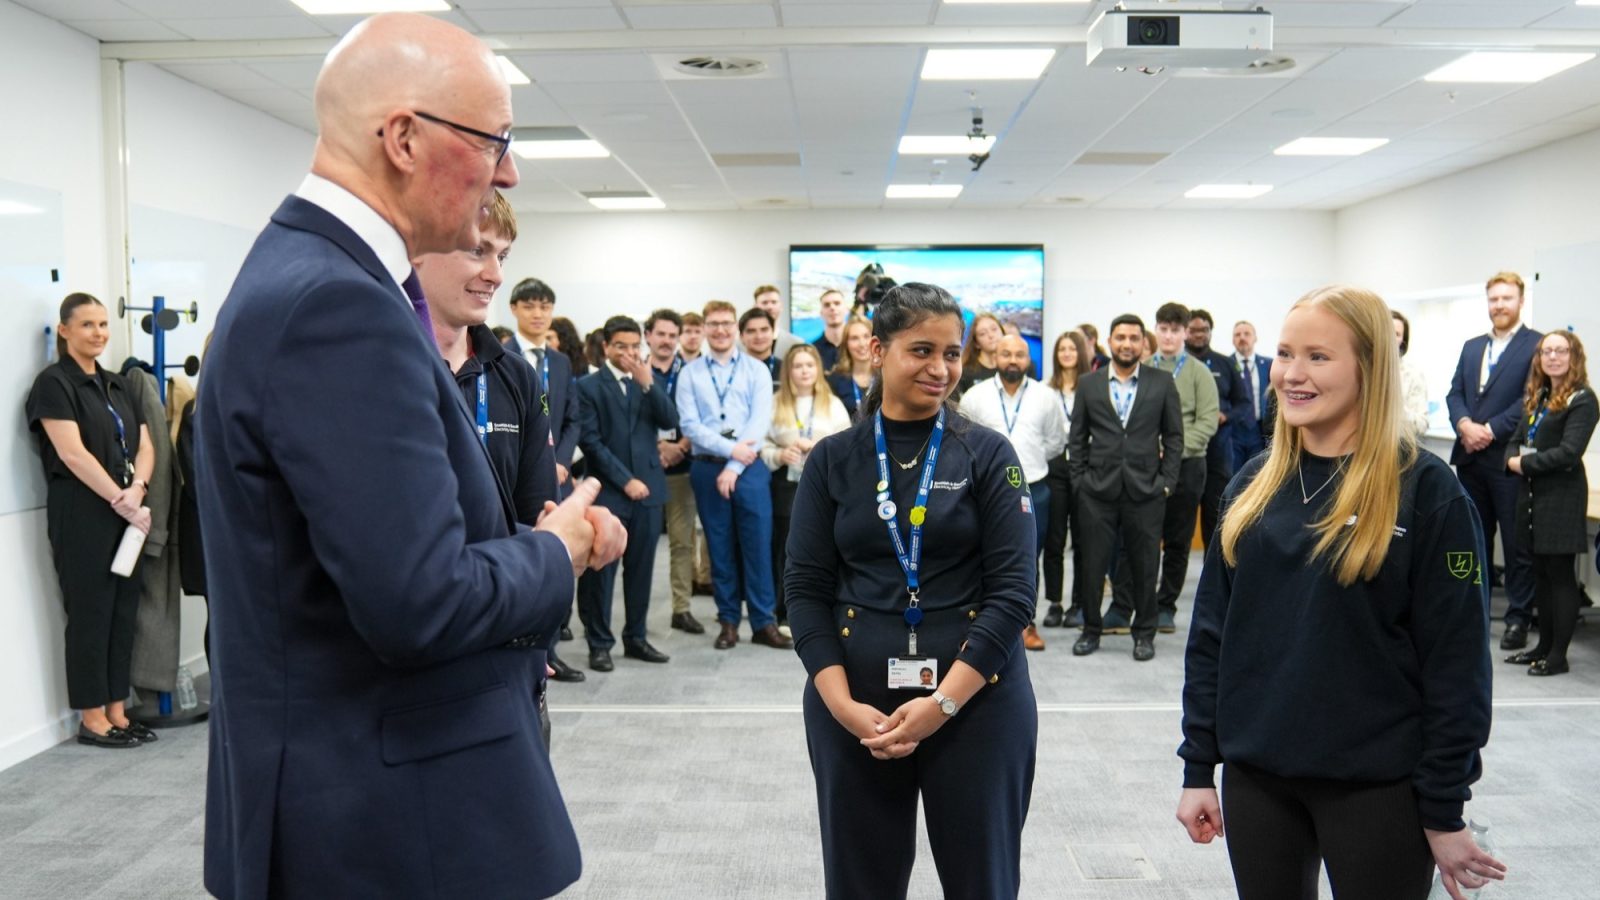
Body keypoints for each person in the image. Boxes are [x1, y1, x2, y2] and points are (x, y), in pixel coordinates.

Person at [193, 15, 626, 898]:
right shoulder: (335, 305)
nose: (506, 171)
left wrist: (509, 538)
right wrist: (557, 551)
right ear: (402, 138)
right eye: (494, 142)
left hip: (368, 797)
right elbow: (417, 602)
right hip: (387, 821)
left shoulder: (316, 277)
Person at [1177, 285, 1503, 900]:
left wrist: (1444, 806)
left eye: (1318, 357)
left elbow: (1457, 667)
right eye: (1284, 353)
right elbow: (1213, 636)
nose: (1292, 375)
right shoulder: (1251, 484)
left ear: (1370, 368)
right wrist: (1200, 765)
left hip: (1377, 785)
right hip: (1259, 779)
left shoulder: (1430, 494)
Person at [785, 282, 1038, 900]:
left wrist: (942, 706)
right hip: (857, 707)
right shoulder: (833, 459)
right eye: (921, 350)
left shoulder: (987, 454)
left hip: (977, 701)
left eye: (952, 353)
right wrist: (841, 705)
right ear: (876, 349)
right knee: (860, 881)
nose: (941, 368)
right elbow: (805, 589)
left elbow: (1013, 594)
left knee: (983, 881)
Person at [27, 292, 158, 749]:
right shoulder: (54, 384)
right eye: (87, 325)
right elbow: (72, 453)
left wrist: (137, 490)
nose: (99, 333)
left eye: (103, 324)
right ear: (64, 331)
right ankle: (92, 717)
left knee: (124, 610)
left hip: (127, 507)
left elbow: (144, 444)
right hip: (83, 512)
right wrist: (120, 500)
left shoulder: (116, 383)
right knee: (90, 613)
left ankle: (118, 710)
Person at [677, 300, 793, 650]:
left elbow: (759, 421)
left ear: (736, 331)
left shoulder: (756, 370)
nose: (720, 330)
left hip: (749, 468)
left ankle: (763, 622)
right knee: (720, 546)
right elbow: (690, 425)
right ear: (704, 328)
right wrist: (730, 454)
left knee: (758, 544)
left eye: (727, 323)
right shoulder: (691, 373)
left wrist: (735, 464)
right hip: (707, 465)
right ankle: (728, 621)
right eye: (713, 324)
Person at [1068, 314, 1182, 661]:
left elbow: (1174, 436)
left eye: (1134, 338)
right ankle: (1091, 630)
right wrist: (1080, 482)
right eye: (1121, 338)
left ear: (1143, 344)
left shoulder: (1161, 383)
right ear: (1110, 341)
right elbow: (1077, 438)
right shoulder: (1089, 384)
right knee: (1092, 565)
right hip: (1096, 492)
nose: (1127, 344)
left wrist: (1166, 483)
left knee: (1146, 565)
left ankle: (1144, 633)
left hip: (1146, 491)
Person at [575, 316, 679, 672]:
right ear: (606, 347)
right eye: (622, 346)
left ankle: (636, 637)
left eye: (635, 346)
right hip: (610, 493)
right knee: (602, 573)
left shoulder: (647, 380)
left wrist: (649, 385)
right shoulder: (588, 386)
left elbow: (670, 420)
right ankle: (600, 643)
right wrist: (625, 481)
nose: (630, 353)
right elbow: (591, 442)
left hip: (648, 491)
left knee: (641, 569)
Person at [1445, 271, 1542, 650]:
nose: (1499, 305)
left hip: (1506, 459)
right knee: (1474, 543)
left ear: (1520, 301)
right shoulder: (1471, 347)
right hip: (1470, 459)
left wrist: (1490, 429)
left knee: (1517, 545)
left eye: (1506, 298)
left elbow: (1530, 398)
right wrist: (1465, 424)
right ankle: (1475, 614)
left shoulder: (1536, 346)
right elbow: (1455, 393)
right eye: (1493, 299)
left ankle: (1518, 618)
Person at [1108, 302, 1218, 636]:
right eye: (1164, 329)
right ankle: (1123, 605)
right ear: (1156, 332)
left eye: (1176, 330)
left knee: (1177, 540)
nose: (1169, 336)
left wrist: (1170, 451)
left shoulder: (1198, 372)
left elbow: (1207, 422)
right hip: (1144, 468)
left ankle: (1165, 605)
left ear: (1186, 333)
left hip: (1186, 467)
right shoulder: (1144, 369)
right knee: (1135, 538)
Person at [957, 334, 1067, 651]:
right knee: (981, 553)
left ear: (1027, 360)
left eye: (1019, 354)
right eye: (1006, 354)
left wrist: (1026, 466)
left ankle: (1026, 623)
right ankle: (982, 620)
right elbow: (965, 440)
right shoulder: (975, 396)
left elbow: (1055, 442)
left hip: (1034, 486)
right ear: (995, 357)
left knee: (1028, 556)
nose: (1013, 360)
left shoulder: (1046, 397)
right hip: (986, 488)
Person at [1505, 330, 1596, 677]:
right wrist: (1514, 458)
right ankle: (1541, 646)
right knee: (1540, 573)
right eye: (1547, 351)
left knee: (1560, 574)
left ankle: (1558, 655)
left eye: (1561, 351)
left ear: (1574, 357)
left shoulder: (1583, 399)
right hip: (1532, 496)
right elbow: (1515, 440)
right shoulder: (1539, 395)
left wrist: (1523, 464)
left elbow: (1569, 452)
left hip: (1561, 495)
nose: (1553, 357)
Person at [506, 279, 586, 673]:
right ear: (514, 309)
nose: (538, 314)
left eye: (545, 307)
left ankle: (549, 650)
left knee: (558, 558)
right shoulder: (500, 356)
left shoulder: (560, 361)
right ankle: (525, 646)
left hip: (558, 474)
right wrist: (538, 460)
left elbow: (571, 419)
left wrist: (561, 459)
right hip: (517, 476)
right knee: (522, 557)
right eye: (530, 306)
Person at [762, 344, 851, 635]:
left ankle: (825, 608)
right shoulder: (775, 402)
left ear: (818, 370)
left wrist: (818, 450)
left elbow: (847, 446)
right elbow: (761, 443)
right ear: (789, 371)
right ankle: (784, 611)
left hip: (825, 484)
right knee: (786, 548)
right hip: (786, 483)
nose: (804, 371)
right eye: (798, 366)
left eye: (809, 366)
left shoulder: (833, 403)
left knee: (824, 546)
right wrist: (779, 453)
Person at [645, 309, 705, 635]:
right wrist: (657, 448)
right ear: (648, 336)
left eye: (672, 335)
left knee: (682, 542)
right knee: (639, 545)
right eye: (661, 334)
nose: (667, 341)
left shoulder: (692, 373)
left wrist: (679, 446)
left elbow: (699, 417)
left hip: (682, 468)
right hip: (645, 470)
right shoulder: (635, 372)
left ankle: (680, 609)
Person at [1040, 330, 1090, 629]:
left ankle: (1079, 604)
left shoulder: (1092, 386)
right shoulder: (1046, 390)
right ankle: (1055, 603)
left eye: (1073, 348)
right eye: (1062, 349)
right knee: (1054, 539)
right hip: (1056, 467)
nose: (1068, 353)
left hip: (1085, 466)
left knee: (1084, 540)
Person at [1188, 309, 1248, 548]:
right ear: (1185, 332)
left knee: (1215, 518)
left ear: (1210, 332)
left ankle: (1210, 576)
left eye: (1204, 330)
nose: (1199, 335)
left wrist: (1225, 416)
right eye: (1193, 330)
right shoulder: (1177, 366)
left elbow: (1244, 403)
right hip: (1186, 453)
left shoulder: (1226, 364)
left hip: (1218, 452)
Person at [1231, 319, 1273, 469]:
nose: (1242, 337)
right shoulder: (1226, 364)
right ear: (1232, 340)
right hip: (1234, 431)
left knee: (1257, 474)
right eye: (1237, 335)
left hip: (1258, 430)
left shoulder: (1269, 365)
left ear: (1255, 338)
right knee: (1234, 476)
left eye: (1247, 334)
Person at [827, 316, 875, 421]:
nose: (862, 344)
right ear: (846, 344)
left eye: (866, 336)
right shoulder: (834, 380)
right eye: (854, 338)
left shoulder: (887, 376)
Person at [1393, 310, 1430, 438]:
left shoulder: (1413, 375)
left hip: (1397, 450)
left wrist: (1395, 408)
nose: (1390, 338)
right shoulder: (1361, 370)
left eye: (1396, 334)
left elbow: (1422, 425)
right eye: (1387, 332)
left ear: (1403, 341)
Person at [956, 312, 1003, 396]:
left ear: (1002, 331)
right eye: (982, 333)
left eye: (994, 329)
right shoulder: (965, 372)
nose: (991, 335)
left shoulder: (1013, 366)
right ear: (976, 343)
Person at [753, 283, 803, 360]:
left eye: (774, 302)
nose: (770, 307)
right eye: (764, 303)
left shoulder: (795, 343)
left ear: (781, 306)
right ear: (755, 307)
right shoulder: (740, 344)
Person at [741, 306, 782, 391]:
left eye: (764, 330)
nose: (759, 336)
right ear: (741, 337)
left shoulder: (787, 369)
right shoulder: (732, 370)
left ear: (773, 332)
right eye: (751, 331)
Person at [811, 288, 849, 371]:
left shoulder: (858, 346)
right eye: (827, 305)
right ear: (821, 313)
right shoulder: (813, 350)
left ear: (846, 310)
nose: (832, 308)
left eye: (837, 303)